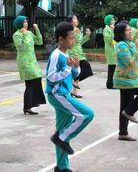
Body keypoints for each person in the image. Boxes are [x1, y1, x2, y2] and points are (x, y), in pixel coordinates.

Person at [46, 22, 94, 172]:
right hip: (57, 94)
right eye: (71, 38)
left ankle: (62, 167)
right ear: (61, 39)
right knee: (87, 114)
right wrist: (68, 67)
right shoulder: (56, 55)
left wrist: (76, 66)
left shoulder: (66, 54)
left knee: (62, 128)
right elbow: (51, 77)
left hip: (63, 93)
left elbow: (74, 75)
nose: (74, 40)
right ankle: (61, 138)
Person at [113, 21, 138, 141]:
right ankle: (130, 112)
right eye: (127, 30)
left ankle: (123, 133)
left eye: (130, 29)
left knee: (124, 106)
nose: (130, 32)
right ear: (121, 33)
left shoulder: (131, 44)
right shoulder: (121, 46)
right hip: (125, 80)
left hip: (133, 78)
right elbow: (129, 62)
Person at [12, 15, 46, 115]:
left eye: (26, 22)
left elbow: (39, 41)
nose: (26, 24)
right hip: (24, 62)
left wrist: (37, 30)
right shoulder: (16, 35)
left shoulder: (29, 33)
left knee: (35, 80)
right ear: (19, 24)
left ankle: (29, 106)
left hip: (32, 60)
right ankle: (28, 106)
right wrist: (23, 35)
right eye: (24, 22)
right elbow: (20, 46)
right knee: (31, 82)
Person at [67, 15, 93, 98]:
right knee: (86, 68)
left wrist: (86, 35)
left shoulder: (77, 30)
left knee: (79, 72)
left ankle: (74, 91)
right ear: (70, 21)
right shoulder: (70, 31)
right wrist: (74, 32)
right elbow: (70, 43)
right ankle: (73, 84)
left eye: (76, 18)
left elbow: (80, 42)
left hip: (79, 53)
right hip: (74, 53)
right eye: (74, 18)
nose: (76, 20)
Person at [103, 14, 117, 89]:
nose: (113, 21)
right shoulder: (107, 29)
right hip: (110, 49)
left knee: (113, 66)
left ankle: (110, 83)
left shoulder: (110, 28)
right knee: (112, 66)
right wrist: (112, 30)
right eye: (111, 20)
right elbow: (108, 40)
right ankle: (109, 84)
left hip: (112, 48)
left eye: (113, 19)